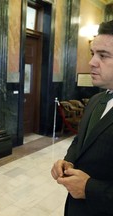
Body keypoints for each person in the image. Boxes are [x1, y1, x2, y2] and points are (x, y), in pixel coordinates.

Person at [51, 19, 113, 216]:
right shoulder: (96, 100)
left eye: (103, 55)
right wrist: (68, 161)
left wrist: (88, 189)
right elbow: (81, 141)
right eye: (93, 53)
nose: (91, 62)